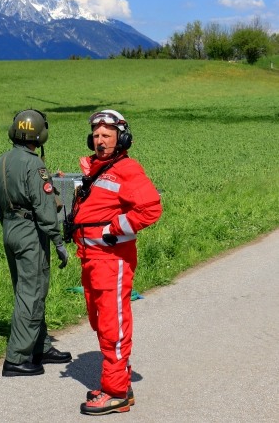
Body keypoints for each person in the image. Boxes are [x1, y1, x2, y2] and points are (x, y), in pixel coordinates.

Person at [69, 109, 162, 415]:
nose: (100, 141)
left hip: (112, 260)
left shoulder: (127, 169)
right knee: (99, 320)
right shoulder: (97, 171)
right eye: (96, 135)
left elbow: (150, 209)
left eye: (106, 135)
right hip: (91, 260)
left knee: (113, 326)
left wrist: (112, 229)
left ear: (121, 138)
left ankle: (116, 392)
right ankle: (119, 377)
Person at [0, 109, 72, 377]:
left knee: (27, 288)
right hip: (30, 232)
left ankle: (40, 346)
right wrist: (58, 240)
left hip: (10, 229)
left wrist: (11, 223)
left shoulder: (1, 161)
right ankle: (17, 357)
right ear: (40, 134)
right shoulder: (34, 165)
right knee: (32, 292)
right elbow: (45, 206)